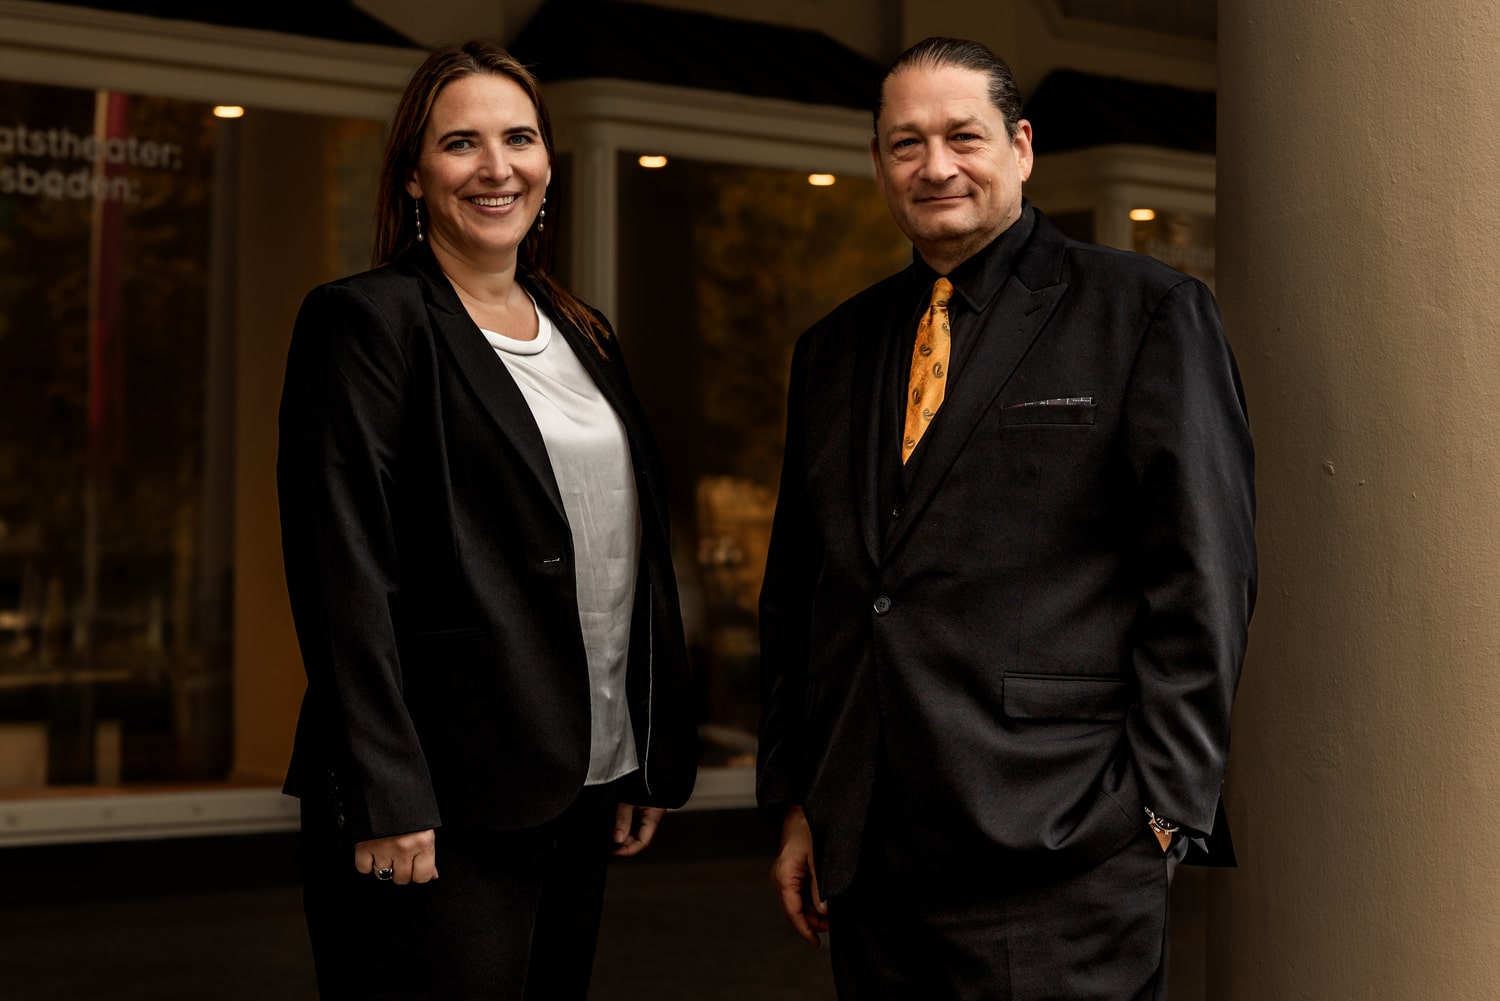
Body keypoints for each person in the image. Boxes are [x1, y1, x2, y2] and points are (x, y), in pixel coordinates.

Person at [757, 37, 1256, 1000]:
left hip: (1065, 845)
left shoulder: (1146, 312)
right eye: (906, 143)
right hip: (873, 856)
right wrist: (801, 801)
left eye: (963, 136)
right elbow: (803, 593)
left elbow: (1204, 578)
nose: (934, 165)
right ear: (878, 164)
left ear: (1020, 147)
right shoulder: (833, 348)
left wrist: (1159, 810)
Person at [276, 40, 696, 1000]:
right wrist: (386, 789)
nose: (496, 167)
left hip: (582, 776)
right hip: (437, 797)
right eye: (461, 142)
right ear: (413, 174)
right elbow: (341, 571)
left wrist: (642, 746)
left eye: (520, 138)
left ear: (547, 161)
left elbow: (630, 550)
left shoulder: (583, 330)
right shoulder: (366, 322)